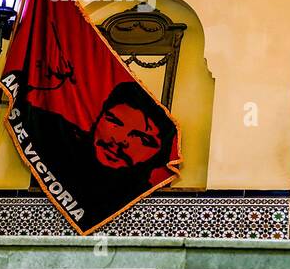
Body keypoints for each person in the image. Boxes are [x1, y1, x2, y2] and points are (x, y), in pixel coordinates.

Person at [15, 80, 177, 227]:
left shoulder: (141, 198)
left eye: (142, 139)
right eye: (114, 122)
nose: (120, 140)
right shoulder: (55, 135)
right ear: (98, 117)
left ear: (159, 156)